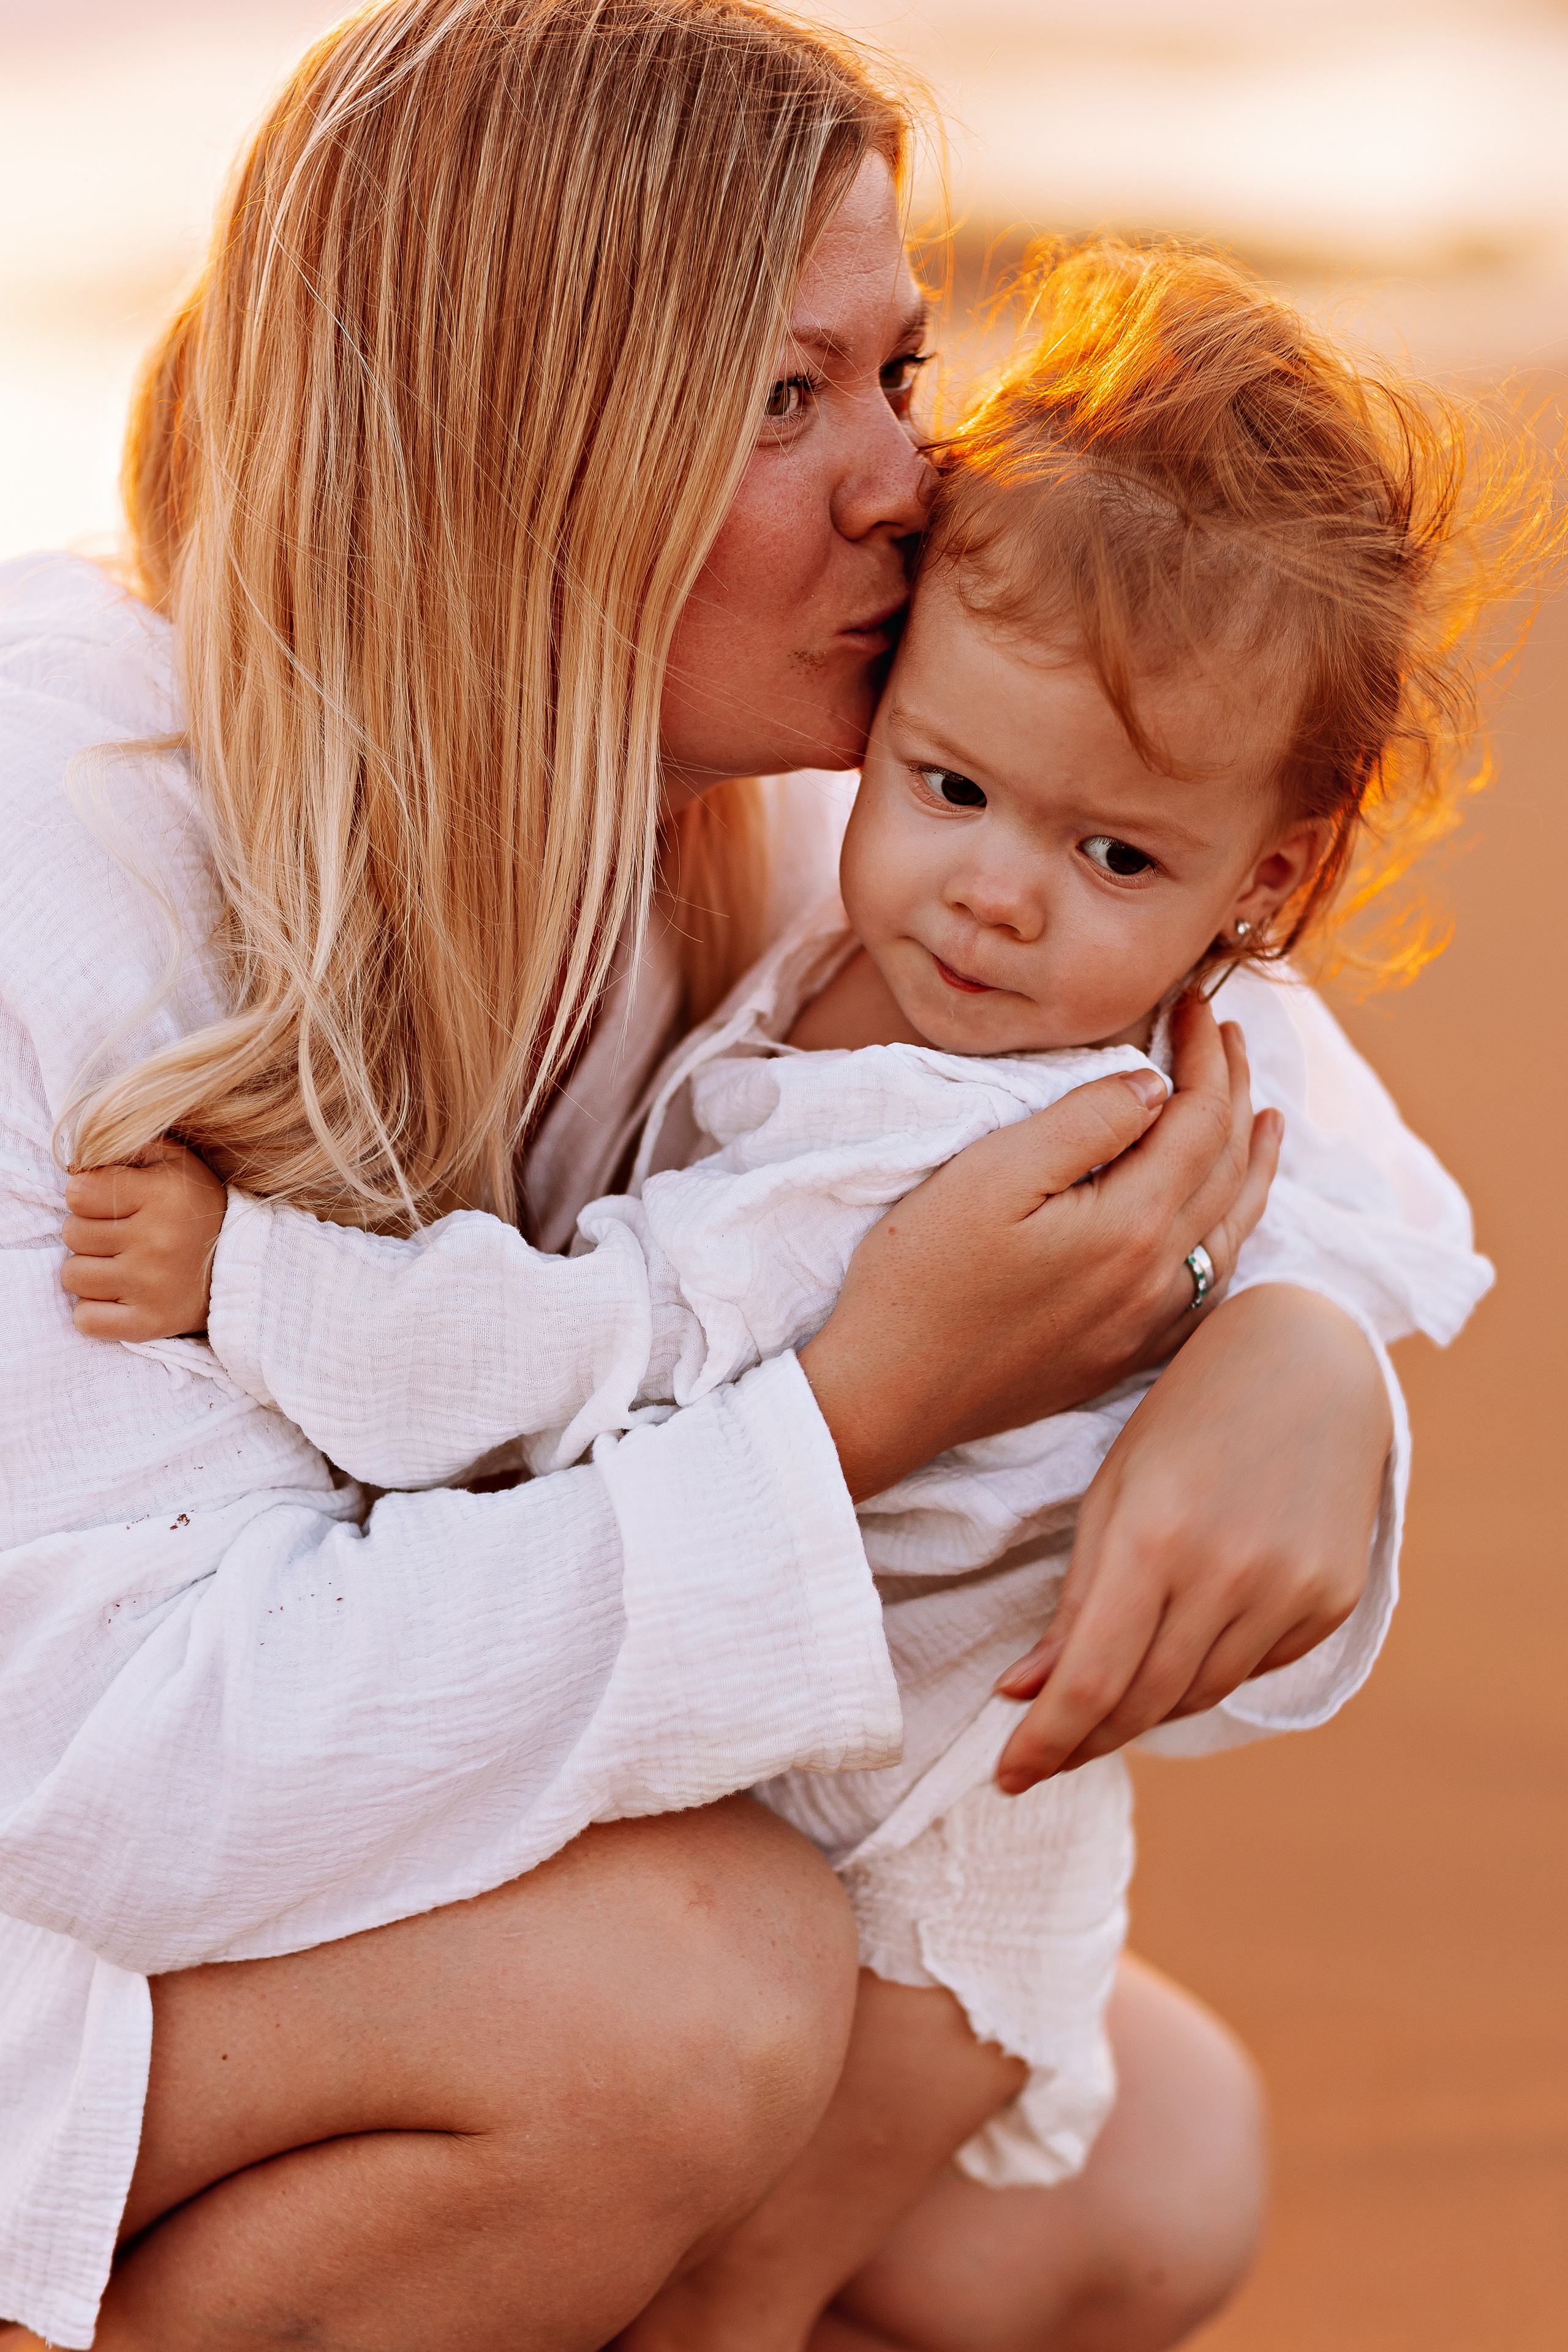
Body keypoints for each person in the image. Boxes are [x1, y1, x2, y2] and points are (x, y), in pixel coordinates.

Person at [0, 6, 1422, 2347]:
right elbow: (118, 1776)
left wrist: (1308, 1349)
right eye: (788, 398)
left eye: (905, 367)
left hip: (252, 1872)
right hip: (64, 1888)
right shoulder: (71, 844)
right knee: (693, 2006)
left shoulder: (739, 773)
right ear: (518, 437)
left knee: (1133, 2164)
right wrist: (856, 1404)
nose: (912, 482)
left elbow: (1232, 1021)